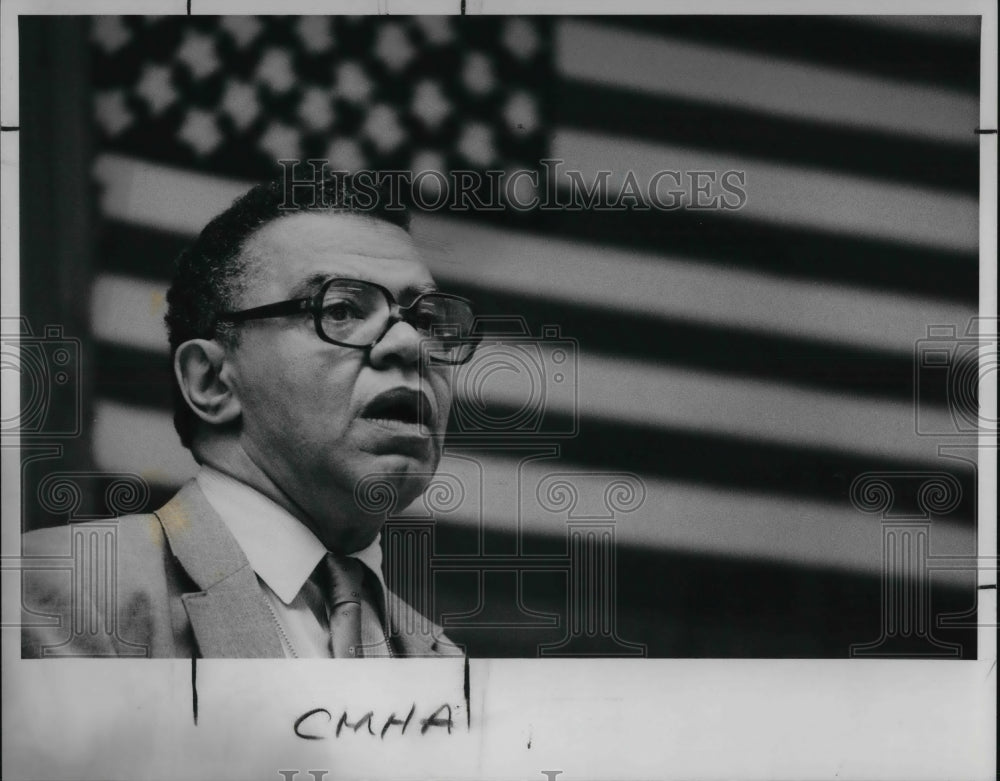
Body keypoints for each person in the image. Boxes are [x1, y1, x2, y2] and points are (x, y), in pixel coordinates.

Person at [21, 174, 478, 658]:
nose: (410, 345)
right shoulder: (58, 590)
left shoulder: (447, 663)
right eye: (341, 309)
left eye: (426, 321)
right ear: (211, 382)